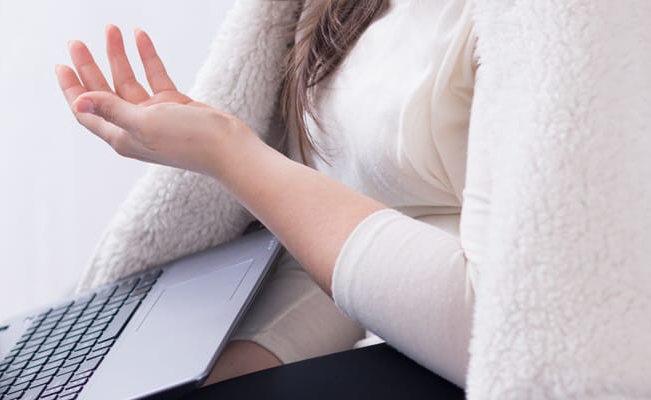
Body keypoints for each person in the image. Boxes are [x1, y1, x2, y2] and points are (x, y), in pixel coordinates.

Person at [54, 2, 477, 387]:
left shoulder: (520, 26)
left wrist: (230, 154)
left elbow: (506, 328)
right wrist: (210, 379)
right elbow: (333, 243)